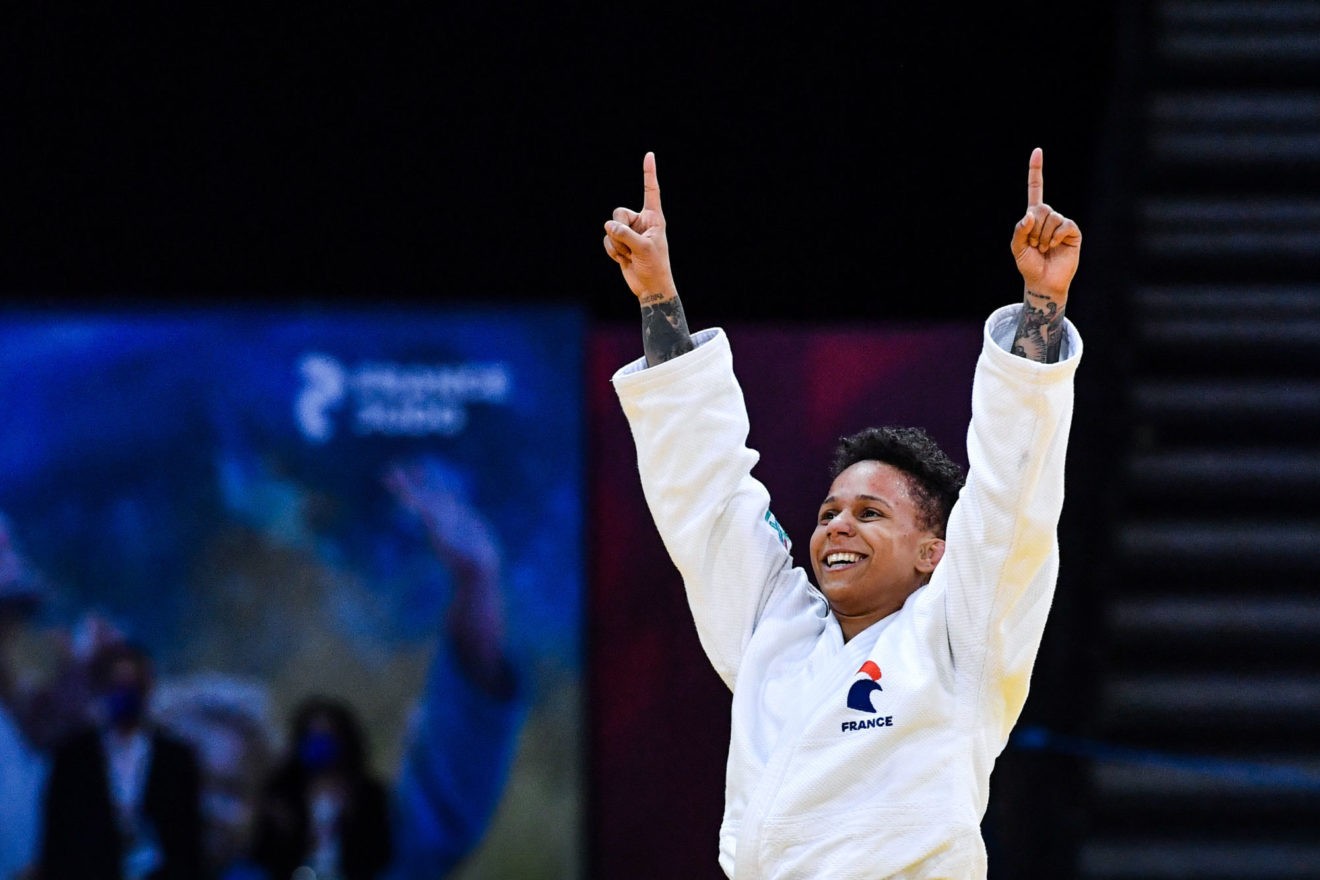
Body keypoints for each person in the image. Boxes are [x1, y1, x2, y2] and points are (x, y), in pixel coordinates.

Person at [602, 149, 1082, 877]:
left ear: (934, 551)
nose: (837, 526)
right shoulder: (777, 633)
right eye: (829, 512)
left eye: (870, 513)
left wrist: (1042, 306)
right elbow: (707, 492)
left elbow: (1013, 503)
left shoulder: (959, 641)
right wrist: (658, 297)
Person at [39, 641, 204, 880]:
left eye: (134, 686)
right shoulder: (73, 758)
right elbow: (58, 839)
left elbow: (187, 840)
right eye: (117, 685)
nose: (126, 694)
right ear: (102, 688)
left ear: (147, 689)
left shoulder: (176, 759)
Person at [251, 696, 392, 880]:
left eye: (326, 735)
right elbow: (262, 851)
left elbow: (380, 852)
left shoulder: (370, 794)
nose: (319, 742)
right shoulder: (282, 790)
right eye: (312, 734)